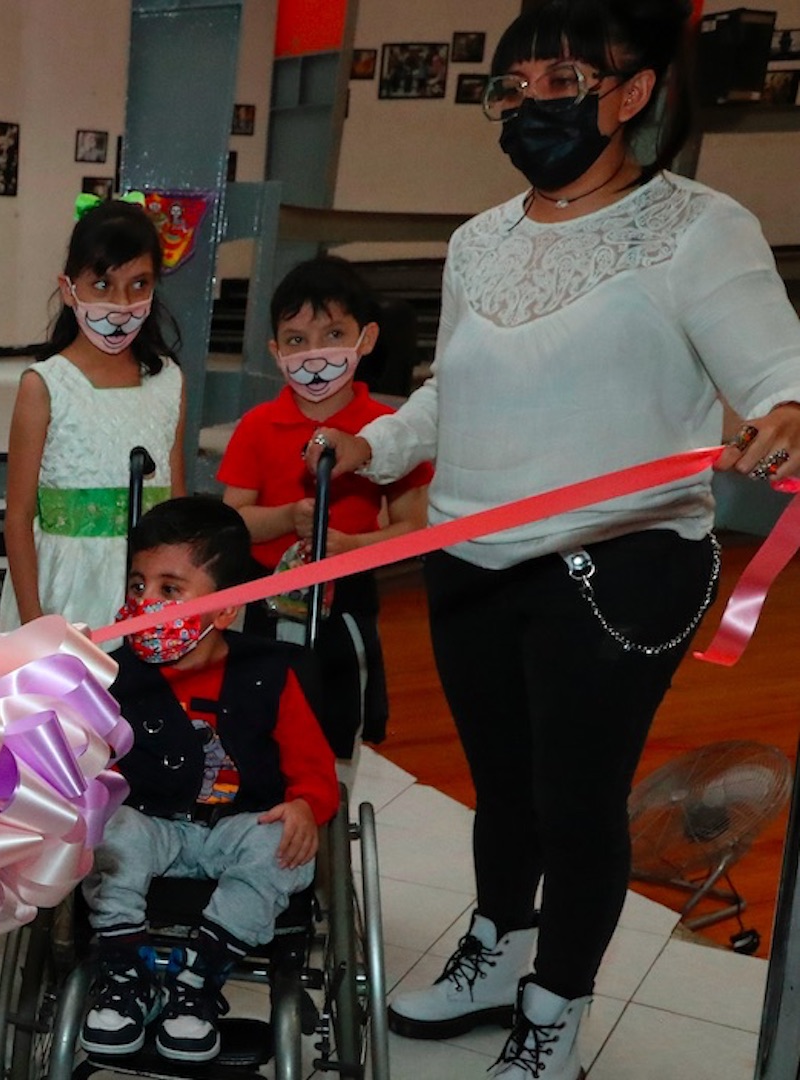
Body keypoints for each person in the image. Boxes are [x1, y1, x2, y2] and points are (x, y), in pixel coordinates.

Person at [309, 3, 800, 1076]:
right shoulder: (479, 240)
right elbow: (456, 392)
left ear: (632, 93)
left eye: (563, 80)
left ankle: (557, 1005)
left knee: (579, 798)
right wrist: (376, 448)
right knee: (504, 783)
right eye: (516, 83)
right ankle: (499, 946)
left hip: (617, 568)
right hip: (469, 560)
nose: (535, 103)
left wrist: (783, 416)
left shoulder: (697, 229)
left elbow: (780, 378)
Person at [80, 497, 338, 1063]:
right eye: (138, 584)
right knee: (106, 829)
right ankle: (125, 975)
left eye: (170, 590)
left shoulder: (270, 674)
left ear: (223, 609)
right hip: (152, 826)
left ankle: (196, 982)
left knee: (280, 844)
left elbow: (315, 772)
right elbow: (97, 771)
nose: (147, 603)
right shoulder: (116, 679)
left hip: (237, 828)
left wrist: (304, 805)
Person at [218, 256, 430, 755]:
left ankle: (331, 817)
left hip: (349, 604)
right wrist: (286, 519)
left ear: (367, 339)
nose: (315, 355)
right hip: (262, 604)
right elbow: (232, 522)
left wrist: (352, 546)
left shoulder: (387, 430)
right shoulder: (256, 425)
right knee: (258, 728)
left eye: (334, 334)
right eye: (296, 340)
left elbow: (416, 528)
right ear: (275, 350)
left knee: (337, 729)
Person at [2, 198, 186, 635]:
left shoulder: (169, 381)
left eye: (138, 284)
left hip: (149, 590)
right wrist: (35, 621)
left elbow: (177, 500)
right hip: (64, 592)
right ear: (69, 290)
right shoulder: (45, 384)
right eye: (102, 285)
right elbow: (18, 515)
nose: (121, 304)